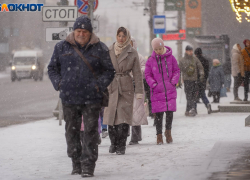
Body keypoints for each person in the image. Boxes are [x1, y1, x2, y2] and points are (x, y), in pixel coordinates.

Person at [48, 16, 115, 177]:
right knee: (71, 132)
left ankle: (88, 165)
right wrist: (59, 83)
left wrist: (98, 85)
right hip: (69, 98)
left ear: (90, 32)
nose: (81, 34)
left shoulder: (100, 48)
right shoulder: (61, 47)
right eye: (78, 31)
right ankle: (75, 161)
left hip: (92, 98)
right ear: (74, 31)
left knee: (91, 132)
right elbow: (52, 69)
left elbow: (109, 71)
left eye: (85, 31)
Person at [103, 27, 143, 155]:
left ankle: (121, 145)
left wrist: (139, 92)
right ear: (116, 36)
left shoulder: (132, 52)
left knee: (123, 118)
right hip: (111, 86)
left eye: (123, 36)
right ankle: (113, 142)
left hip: (126, 87)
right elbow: (103, 70)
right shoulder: (108, 50)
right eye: (119, 36)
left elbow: (137, 73)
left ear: (128, 37)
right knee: (111, 118)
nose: (121, 38)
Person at [145, 38, 180, 145]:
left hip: (169, 90)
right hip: (157, 92)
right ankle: (159, 135)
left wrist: (173, 82)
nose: (158, 51)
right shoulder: (150, 60)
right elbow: (147, 75)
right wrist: (153, 84)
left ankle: (168, 132)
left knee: (169, 113)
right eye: (156, 49)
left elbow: (176, 71)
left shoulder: (171, 58)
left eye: (160, 48)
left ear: (163, 46)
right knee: (158, 116)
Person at [129, 37, 148, 145]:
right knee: (126, 112)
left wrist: (135, 72)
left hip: (137, 87)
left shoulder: (139, 57)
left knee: (135, 113)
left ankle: (135, 137)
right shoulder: (122, 56)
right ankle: (127, 134)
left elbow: (144, 70)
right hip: (125, 88)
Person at [179, 45, 204, 117]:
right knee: (188, 96)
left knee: (193, 96)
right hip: (187, 80)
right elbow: (178, 71)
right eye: (190, 51)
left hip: (194, 80)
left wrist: (201, 75)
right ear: (186, 51)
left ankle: (191, 109)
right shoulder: (182, 60)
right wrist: (178, 81)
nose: (191, 52)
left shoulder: (195, 59)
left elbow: (200, 67)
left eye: (192, 51)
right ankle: (190, 109)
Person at [194, 48, 212, 114]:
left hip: (195, 80)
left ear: (195, 53)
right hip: (203, 80)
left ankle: (194, 109)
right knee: (202, 94)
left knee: (195, 95)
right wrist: (204, 79)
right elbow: (207, 71)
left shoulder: (194, 60)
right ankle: (207, 104)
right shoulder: (206, 60)